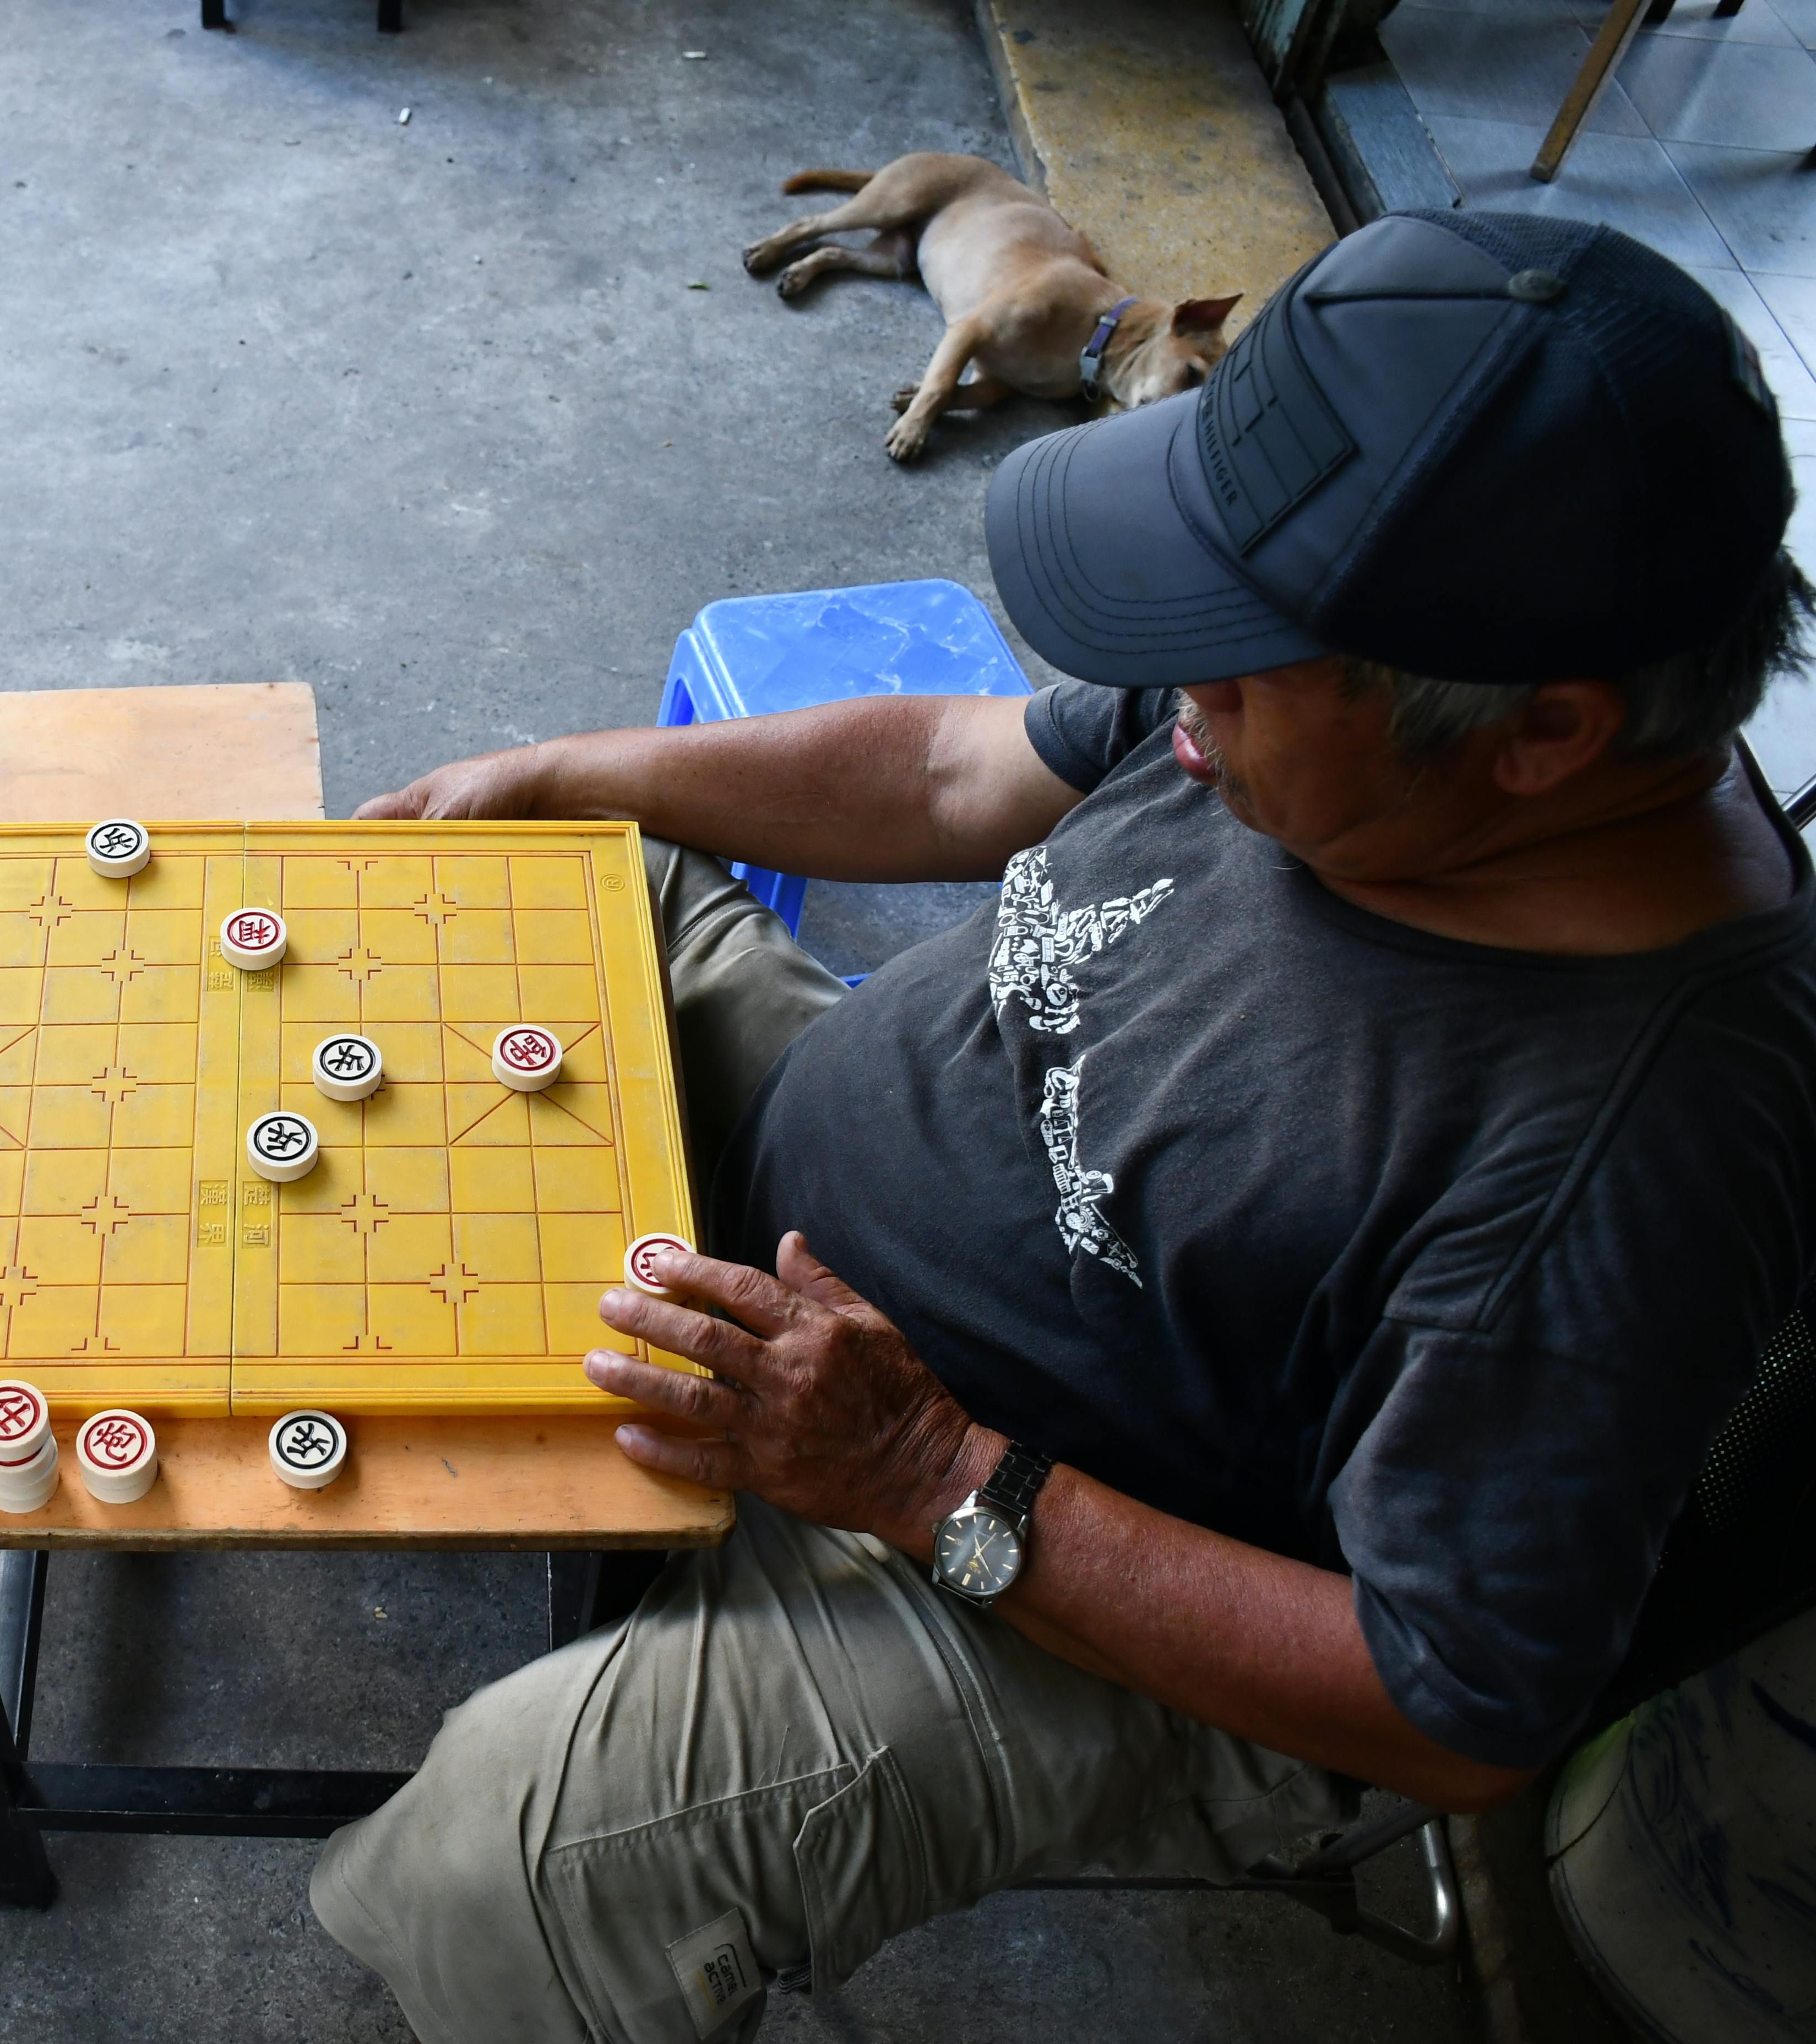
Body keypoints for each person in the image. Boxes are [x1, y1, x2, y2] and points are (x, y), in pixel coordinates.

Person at [312, 210, 1816, 2040]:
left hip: (1025, 1557)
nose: (1179, 718)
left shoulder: (1623, 1169)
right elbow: (961, 768)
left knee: (514, 1860)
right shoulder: (1369, 690)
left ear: (1548, 737)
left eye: (1234, 679)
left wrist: (933, 1475)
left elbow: (1451, 1709)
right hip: (840, 1200)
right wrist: (546, 777)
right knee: (504, 894)